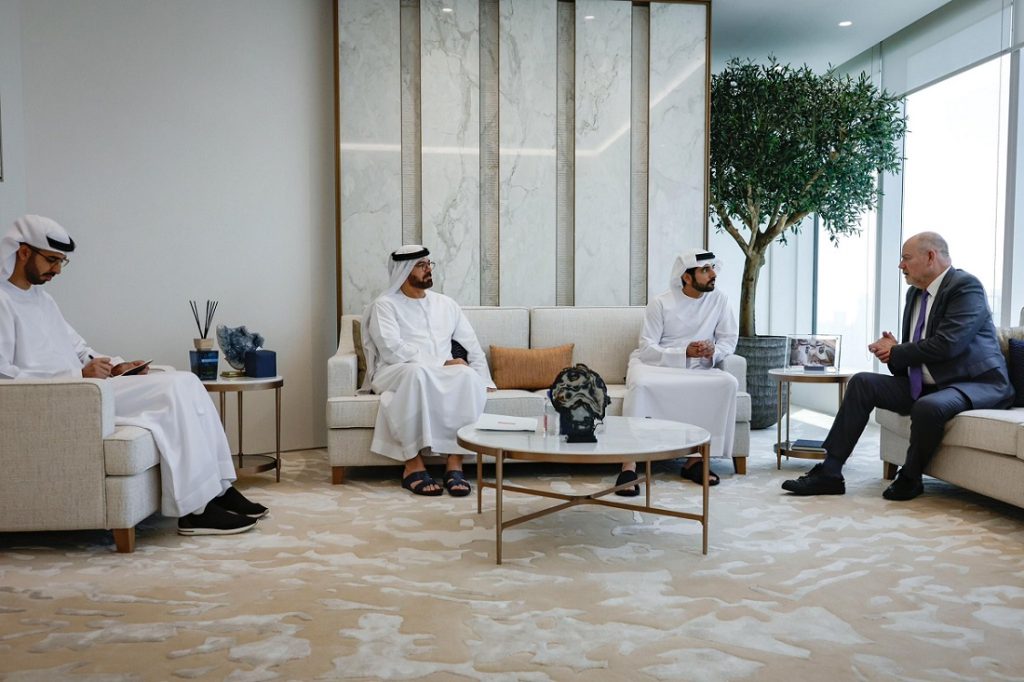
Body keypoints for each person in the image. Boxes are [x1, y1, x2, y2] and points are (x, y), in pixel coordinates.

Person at [0, 215, 267, 535]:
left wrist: (117, 366)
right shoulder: (3, 301)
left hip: (85, 387)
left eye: (61, 262)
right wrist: (78, 374)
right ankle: (196, 511)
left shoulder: (43, 300)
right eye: (51, 260)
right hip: (64, 397)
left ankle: (220, 488)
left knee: (186, 381)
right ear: (24, 252)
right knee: (172, 390)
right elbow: (6, 376)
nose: (57, 270)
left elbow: (80, 348)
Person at [782, 231, 1014, 501]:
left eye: (906, 258)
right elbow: (918, 349)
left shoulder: (965, 287)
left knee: (928, 406)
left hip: (976, 383)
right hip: (931, 384)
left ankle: (911, 477)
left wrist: (898, 351)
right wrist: (892, 353)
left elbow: (947, 345)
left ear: (931, 257)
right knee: (862, 382)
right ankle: (829, 472)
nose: (900, 265)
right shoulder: (914, 294)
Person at [360, 245, 496, 496]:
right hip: (396, 369)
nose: (428, 269)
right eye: (421, 265)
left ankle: (454, 464)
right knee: (417, 373)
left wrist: (483, 379)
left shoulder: (446, 304)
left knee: (467, 376)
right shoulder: (385, 305)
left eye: (429, 264)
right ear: (403, 271)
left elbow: (471, 343)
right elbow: (391, 349)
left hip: (438, 371)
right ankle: (412, 466)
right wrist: (441, 363)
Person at [615, 248, 739, 496]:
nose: (713, 274)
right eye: (705, 270)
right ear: (687, 277)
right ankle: (629, 465)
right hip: (656, 364)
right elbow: (647, 348)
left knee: (728, 383)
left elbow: (728, 340)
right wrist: (683, 353)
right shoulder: (660, 303)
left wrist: (713, 351)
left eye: (713, 268)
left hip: (699, 366)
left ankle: (696, 460)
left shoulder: (720, 300)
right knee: (641, 385)